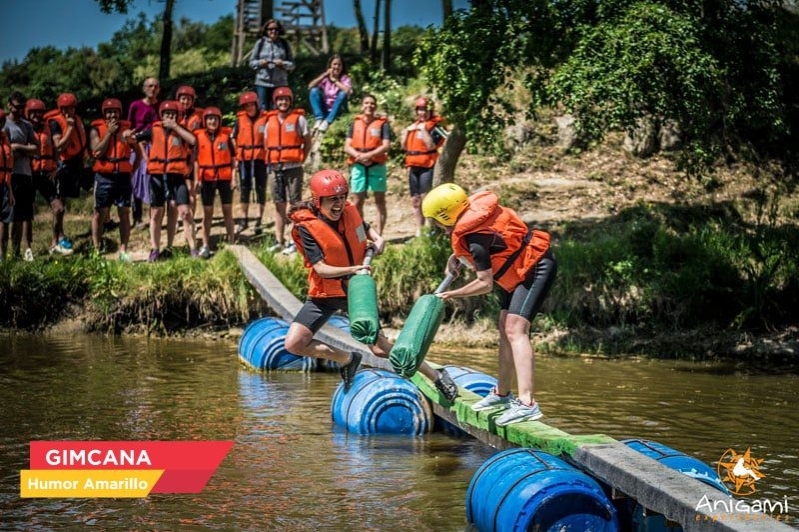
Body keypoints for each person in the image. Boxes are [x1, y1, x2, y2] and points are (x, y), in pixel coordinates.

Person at [284, 169, 458, 400]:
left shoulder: (348, 211)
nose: (338, 204)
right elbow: (321, 269)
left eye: (342, 197)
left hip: (357, 291)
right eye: (332, 200)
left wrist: (378, 238)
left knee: (378, 348)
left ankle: (436, 375)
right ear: (318, 200)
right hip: (325, 292)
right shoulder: (306, 227)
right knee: (294, 343)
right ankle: (348, 359)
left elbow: (365, 228)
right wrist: (353, 269)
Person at [422, 183, 556, 426]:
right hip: (517, 270)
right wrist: (457, 257)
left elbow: (485, 283)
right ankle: (503, 394)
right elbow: (492, 244)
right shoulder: (472, 229)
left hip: (535, 267)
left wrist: (452, 294)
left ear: (445, 215)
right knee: (505, 327)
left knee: (516, 330)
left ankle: (527, 403)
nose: (437, 225)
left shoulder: (474, 238)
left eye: (436, 220)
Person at [135, 100, 196, 262]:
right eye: (167, 114)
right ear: (162, 115)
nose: (169, 117)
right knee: (156, 213)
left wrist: (176, 127)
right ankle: (155, 249)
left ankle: (191, 249)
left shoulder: (181, 130)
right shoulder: (153, 130)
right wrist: (146, 158)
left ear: (176, 116)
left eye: (172, 115)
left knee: (184, 211)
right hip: (157, 176)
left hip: (176, 176)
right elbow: (136, 140)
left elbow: (193, 141)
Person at [89, 98, 142, 261]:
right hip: (104, 176)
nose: (112, 115)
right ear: (104, 114)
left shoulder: (127, 130)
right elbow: (96, 151)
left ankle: (123, 250)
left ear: (120, 113)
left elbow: (138, 154)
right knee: (99, 213)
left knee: (124, 213)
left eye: (115, 112)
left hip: (123, 176)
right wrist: (110, 133)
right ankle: (97, 250)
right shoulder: (96, 129)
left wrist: (132, 170)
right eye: (109, 112)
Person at [263, 86, 311, 254]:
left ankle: (294, 241)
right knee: (278, 205)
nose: (283, 102)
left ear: (290, 102)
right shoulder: (270, 121)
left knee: (295, 205)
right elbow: (266, 143)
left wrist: (301, 159)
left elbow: (307, 142)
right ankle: (279, 240)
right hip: (275, 168)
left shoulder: (299, 119)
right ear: (275, 102)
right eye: (280, 100)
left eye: (286, 100)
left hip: (294, 168)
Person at [342, 94, 390, 235]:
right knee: (357, 202)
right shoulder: (354, 124)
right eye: (366, 103)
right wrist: (358, 156)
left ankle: (379, 235)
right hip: (358, 165)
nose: (369, 106)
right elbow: (347, 146)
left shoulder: (383, 124)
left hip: (377, 165)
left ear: (375, 106)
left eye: (372, 103)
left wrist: (369, 155)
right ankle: (361, 235)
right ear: (362, 106)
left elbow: (386, 145)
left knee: (379, 200)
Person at [401, 96, 448, 237]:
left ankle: (430, 229)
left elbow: (431, 145)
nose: (422, 113)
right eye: (420, 110)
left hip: (428, 165)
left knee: (426, 198)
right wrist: (406, 133)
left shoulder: (435, 127)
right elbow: (404, 147)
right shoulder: (413, 126)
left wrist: (423, 131)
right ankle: (419, 231)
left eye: (425, 110)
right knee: (415, 200)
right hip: (414, 166)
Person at [46, 92, 87, 254]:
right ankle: (56, 240)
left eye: (70, 108)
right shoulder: (56, 123)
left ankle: (60, 235)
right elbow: (59, 146)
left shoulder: (77, 119)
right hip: (63, 165)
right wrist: (69, 128)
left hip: (76, 163)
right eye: (65, 108)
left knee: (64, 203)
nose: (68, 111)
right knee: (59, 205)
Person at [194, 107, 236, 258]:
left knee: (227, 210)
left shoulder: (226, 137)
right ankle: (205, 245)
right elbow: (195, 161)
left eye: (215, 119)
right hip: (206, 178)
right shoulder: (199, 137)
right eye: (209, 119)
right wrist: (196, 180)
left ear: (219, 121)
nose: (212, 121)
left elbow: (233, 159)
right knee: (208, 213)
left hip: (224, 177)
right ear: (205, 121)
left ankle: (232, 241)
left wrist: (234, 177)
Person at [26, 98, 65, 257]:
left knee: (59, 208)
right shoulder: (25, 129)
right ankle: (28, 248)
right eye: (34, 112)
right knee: (28, 213)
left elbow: (55, 149)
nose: (37, 115)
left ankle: (54, 242)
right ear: (28, 113)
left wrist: (55, 166)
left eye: (40, 112)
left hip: (45, 173)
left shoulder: (50, 127)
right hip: (30, 173)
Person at [3, 92, 38, 261]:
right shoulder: (5, 125)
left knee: (22, 216)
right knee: (8, 217)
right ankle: (4, 254)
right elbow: (9, 152)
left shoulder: (27, 125)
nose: (19, 110)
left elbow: (36, 148)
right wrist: (23, 148)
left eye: (22, 108)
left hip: (25, 174)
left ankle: (17, 253)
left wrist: (19, 147)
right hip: (11, 175)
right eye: (17, 107)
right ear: (9, 105)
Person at [231, 91, 268, 235]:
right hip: (244, 159)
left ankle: (259, 219)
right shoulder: (239, 120)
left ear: (256, 104)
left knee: (260, 188)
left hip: (260, 157)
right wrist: (238, 151)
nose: (249, 108)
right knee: (245, 189)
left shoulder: (265, 118)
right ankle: (243, 220)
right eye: (246, 106)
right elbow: (233, 137)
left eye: (251, 105)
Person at [127, 76, 160, 230]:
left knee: (154, 180)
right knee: (136, 181)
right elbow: (130, 128)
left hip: (156, 148)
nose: (152, 89)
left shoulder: (161, 106)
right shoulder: (135, 106)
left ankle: (153, 216)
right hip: (138, 147)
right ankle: (137, 217)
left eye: (155, 86)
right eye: (149, 86)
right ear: (144, 88)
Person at [248, 19, 295, 111]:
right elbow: (251, 63)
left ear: (280, 30)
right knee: (262, 108)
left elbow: (292, 64)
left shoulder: (284, 44)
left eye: (276, 29)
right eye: (270, 29)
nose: (273, 31)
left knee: (278, 108)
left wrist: (283, 64)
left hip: (280, 82)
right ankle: (263, 126)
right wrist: (260, 63)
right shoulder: (260, 43)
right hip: (262, 82)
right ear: (266, 30)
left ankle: (276, 126)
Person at [307, 54, 353, 132]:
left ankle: (328, 121)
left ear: (342, 67)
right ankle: (319, 119)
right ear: (330, 66)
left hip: (339, 109)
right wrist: (324, 75)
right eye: (334, 64)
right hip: (326, 109)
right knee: (314, 91)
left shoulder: (345, 78)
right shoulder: (325, 79)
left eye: (339, 65)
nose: (337, 67)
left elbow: (348, 92)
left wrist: (334, 80)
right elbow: (310, 86)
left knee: (342, 93)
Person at [0, 110, 16, 261]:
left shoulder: (6, 140)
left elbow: (7, 169)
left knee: (5, 222)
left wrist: (10, 191)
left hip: (5, 186)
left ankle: (3, 258)